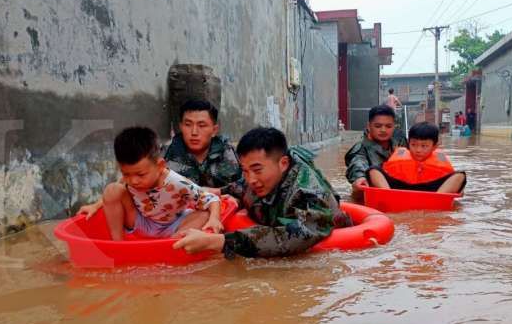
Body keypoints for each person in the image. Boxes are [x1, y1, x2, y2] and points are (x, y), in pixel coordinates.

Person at [173, 127, 352, 258]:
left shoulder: (309, 193)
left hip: (331, 249)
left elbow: (299, 235)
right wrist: (209, 192)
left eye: (257, 170)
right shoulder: (259, 179)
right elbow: (239, 186)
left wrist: (218, 242)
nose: (251, 179)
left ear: (283, 163)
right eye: (245, 170)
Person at [78, 127, 222, 240]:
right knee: (112, 189)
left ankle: (172, 244)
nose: (133, 181)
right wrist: (95, 206)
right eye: (126, 174)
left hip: (173, 225)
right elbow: (112, 194)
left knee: (204, 215)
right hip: (141, 222)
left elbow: (211, 199)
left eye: (140, 174)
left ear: (160, 166)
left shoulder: (177, 183)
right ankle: (118, 244)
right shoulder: (131, 179)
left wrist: (214, 219)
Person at [164, 99, 242, 191]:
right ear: (181, 127)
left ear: (214, 130)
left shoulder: (231, 153)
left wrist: (220, 192)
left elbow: (246, 186)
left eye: (202, 125)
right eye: (188, 124)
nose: (194, 132)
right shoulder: (166, 154)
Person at [368, 122, 466, 194]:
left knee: (460, 175)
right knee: (373, 170)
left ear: (434, 146)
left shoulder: (439, 158)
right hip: (400, 186)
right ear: (408, 143)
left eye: (424, 146)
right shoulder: (401, 155)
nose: (418, 150)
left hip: (432, 189)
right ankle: (388, 195)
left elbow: (454, 181)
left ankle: (437, 199)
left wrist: (459, 189)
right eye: (413, 144)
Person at [344, 105, 407, 199]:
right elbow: (357, 163)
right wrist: (360, 178)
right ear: (369, 126)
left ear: (394, 126)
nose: (383, 130)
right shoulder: (361, 148)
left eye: (388, 126)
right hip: (376, 194)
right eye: (378, 126)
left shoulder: (401, 141)